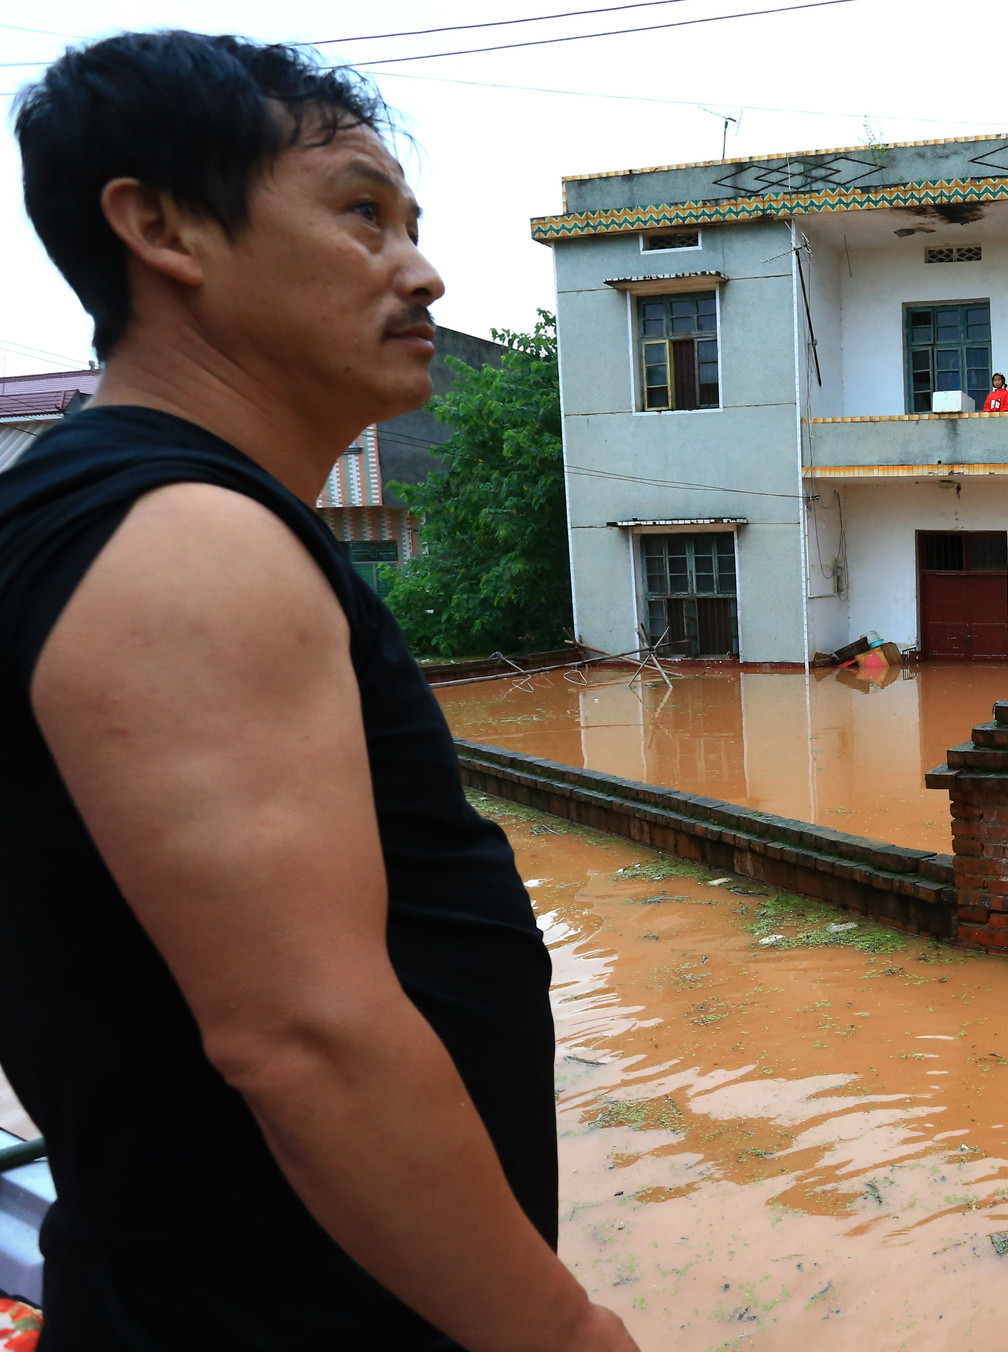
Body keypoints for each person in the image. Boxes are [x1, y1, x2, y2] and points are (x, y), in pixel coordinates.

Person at [2, 32, 638, 1352]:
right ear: (162, 225)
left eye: (411, 221)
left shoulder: (92, 519)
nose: (423, 268)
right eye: (361, 211)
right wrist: (562, 1333)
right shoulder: (186, 537)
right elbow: (302, 1037)